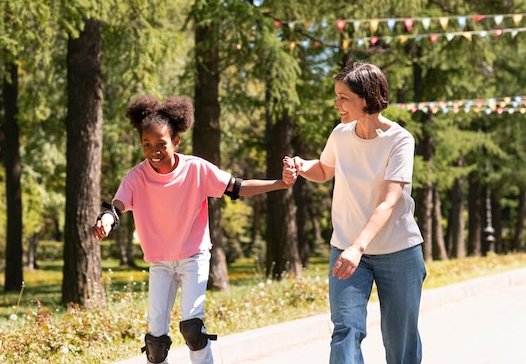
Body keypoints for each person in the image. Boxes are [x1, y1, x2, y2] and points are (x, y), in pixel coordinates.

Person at [93, 95, 297, 364]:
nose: (153, 150)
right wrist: (106, 219)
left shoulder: (196, 169)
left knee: (192, 328)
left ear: (176, 141)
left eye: (161, 144)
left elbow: (237, 186)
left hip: (194, 257)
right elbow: (116, 206)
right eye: (146, 144)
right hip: (160, 262)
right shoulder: (137, 177)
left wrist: (280, 184)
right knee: (155, 341)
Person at [287, 62, 426, 364]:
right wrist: (301, 164)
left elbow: (388, 202)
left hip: (397, 251)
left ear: (366, 98)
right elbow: (324, 169)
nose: (337, 104)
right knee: (345, 331)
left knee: (400, 338)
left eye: (343, 97)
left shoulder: (400, 140)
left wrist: (357, 247)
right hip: (346, 249)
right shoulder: (341, 134)